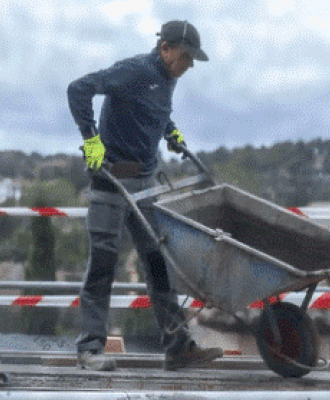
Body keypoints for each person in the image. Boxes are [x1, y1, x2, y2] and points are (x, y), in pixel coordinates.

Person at [66, 20, 223, 371]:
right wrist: (91, 138)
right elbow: (78, 89)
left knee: (158, 264)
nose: (190, 65)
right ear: (165, 48)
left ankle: (177, 347)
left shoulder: (168, 79)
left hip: (145, 184)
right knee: (103, 266)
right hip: (112, 180)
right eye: (186, 57)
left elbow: (153, 109)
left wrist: (171, 131)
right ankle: (90, 349)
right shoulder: (134, 70)